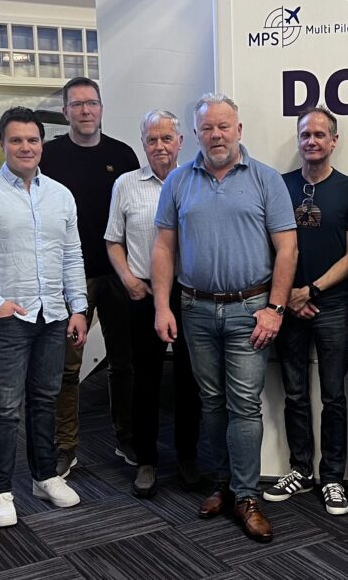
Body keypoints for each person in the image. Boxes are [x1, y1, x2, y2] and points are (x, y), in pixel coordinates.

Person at [152, 93, 297, 543]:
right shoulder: (178, 181)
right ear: (195, 134)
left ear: (239, 129)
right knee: (210, 402)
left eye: (224, 127)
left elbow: (287, 248)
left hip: (251, 311)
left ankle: (246, 495)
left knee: (244, 405)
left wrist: (275, 308)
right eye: (207, 128)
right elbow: (163, 247)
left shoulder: (266, 180)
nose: (216, 135)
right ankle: (220, 483)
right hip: (195, 308)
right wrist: (162, 306)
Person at [0, 106, 88, 528]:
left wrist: (78, 307)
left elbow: (71, 254)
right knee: (5, 408)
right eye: (16, 140)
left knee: (45, 400)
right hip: (8, 319)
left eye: (32, 140)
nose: (25, 147)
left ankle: (44, 476)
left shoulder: (60, 194)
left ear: (42, 144)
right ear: (2, 144)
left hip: (52, 316)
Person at [262, 106, 348, 516]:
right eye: (305, 134)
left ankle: (333, 477)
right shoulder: (278, 186)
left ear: (334, 141)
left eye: (321, 134)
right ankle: (301, 470)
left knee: (335, 396)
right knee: (296, 394)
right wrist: (290, 298)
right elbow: (268, 247)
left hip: (333, 305)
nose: (312, 141)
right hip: (287, 307)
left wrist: (312, 290)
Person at [40, 77, 140, 475]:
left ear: (101, 109)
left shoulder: (123, 154)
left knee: (123, 361)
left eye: (92, 104)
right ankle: (65, 445)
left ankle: (126, 436)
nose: (85, 111)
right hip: (70, 278)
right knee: (68, 367)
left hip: (117, 274)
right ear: (65, 112)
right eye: (77, 104)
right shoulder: (48, 156)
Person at [103, 109, 202, 498]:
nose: (159, 146)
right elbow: (113, 239)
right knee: (145, 379)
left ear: (181, 142)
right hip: (143, 293)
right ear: (142, 144)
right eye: (151, 139)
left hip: (191, 292)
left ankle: (188, 457)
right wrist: (127, 278)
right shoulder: (126, 185)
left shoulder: (198, 180)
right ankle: (146, 461)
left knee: (189, 381)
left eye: (166, 138)